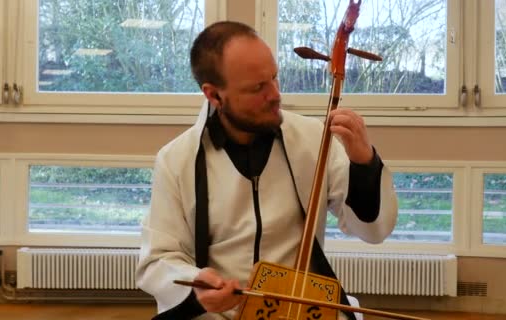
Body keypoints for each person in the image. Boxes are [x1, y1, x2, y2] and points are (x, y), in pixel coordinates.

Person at [136, 21, 398, 320]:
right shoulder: (176, 160)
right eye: (257, 88)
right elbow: (157, 261)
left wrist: (364, 164)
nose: (275, 95)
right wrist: (197, 288)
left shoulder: (313, 139)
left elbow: (373, 230)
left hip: (301, 310)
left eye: (274, 78)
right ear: (214, 95)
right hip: (220, 314)